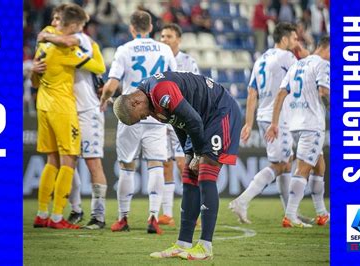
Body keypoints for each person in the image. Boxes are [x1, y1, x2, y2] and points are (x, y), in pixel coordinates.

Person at [113, 71, 242, 260]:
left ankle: (205, 247)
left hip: (219, 112)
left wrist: (198, 153)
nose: (144, 118)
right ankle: (183, 244)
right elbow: (178, 122)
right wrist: (189, 153)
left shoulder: (160, 91)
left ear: (135, 103)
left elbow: (193, 121)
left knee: (206, 171)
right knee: (190, 173)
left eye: (139, 117)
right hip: (200, 120)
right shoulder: (149, 99)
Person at [99, 11, 177, 234]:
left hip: (131, 114)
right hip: (156, 114)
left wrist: (105, 100)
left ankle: (123, 218)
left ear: (132, 28)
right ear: (150, 27)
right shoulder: (164, 49)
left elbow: (112, 84)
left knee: (126, 166)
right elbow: (174, 79)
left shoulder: (124, 49)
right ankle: (153, 217)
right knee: (155, 165)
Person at [32, 5, 108, 229]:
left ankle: (45, 213)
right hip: (64, 107)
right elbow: (99, 66)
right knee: (68, 161)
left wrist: (45, 38)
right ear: (73, 25)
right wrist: (92, 48)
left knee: (59, 161)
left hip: (54, 106)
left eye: (58, 20)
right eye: (54, 19)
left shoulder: (49, 40)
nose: (54, 23)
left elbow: (35, 80)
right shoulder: (64, 46)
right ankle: (59, 216)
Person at [229, 22, 305, 224]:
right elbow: (303, 76)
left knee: (286, 164)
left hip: (264, 114)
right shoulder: (287, 57)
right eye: (294, 38)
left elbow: (252, 92)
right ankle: (242, 200)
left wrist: (248, 123)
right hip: (278, 117)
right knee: (279, 165)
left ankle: (291, 213)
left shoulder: (261, 59)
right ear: (285, 39)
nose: (296, 42)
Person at [265, 36, 330, 227]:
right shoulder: (322, 64)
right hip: (312, 124)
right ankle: (290, 214)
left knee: (319, 165)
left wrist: (274, 123)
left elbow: (280, 93)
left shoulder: (297, 65)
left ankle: (321, 213)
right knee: (303, 169)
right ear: (327, 48)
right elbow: (324, 91)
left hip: (295, 124)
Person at [158, 23, 199, 227]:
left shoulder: (187, 61)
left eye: (169, 36)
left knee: (185, 164)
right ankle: (167, 214)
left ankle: (194, 211)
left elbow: (197, 88)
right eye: (163, 36)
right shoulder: (158, 59)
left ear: (178, 39)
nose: (165, 39)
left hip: (181, 120)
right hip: (161, 120)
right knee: (165, 164)